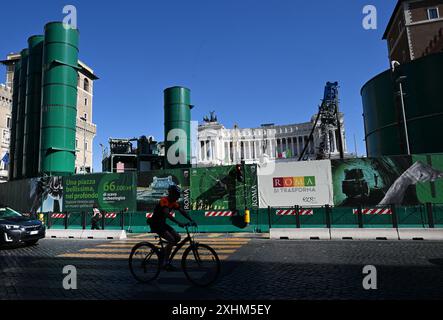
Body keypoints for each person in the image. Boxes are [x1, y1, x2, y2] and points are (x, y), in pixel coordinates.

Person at [149, 185, 196, 271]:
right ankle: (165, 263)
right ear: (172, 194)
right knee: (171, 240)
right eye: (177, 195)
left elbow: (182, 211)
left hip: (162, 224)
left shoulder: (173, 202)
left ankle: (164, 253)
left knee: (177, 237)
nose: (178, 198)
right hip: (155, 224)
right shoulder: (164, 200)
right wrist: (178, 223)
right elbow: (167, 213)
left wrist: (191, 220)